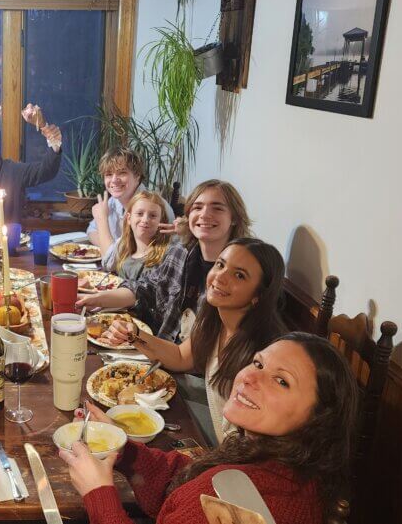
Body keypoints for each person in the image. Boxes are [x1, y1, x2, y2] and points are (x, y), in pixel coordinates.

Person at [61, 332, 359, 524]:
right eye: (258, 364)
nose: (249, 378)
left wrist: (98, 493)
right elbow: (190, 476)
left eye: (282, 381)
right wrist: (123, 450)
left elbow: (197, 494)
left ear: (318, 417)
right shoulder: (283, 463)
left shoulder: (239, 505)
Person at [103, 238, 288, 443]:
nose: (220, 277)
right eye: (220, 265)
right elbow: (180, 357)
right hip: (219, 431)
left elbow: (256, 440)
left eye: (239, 275)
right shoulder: (215, 319)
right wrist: (135, 335)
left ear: (259, 295)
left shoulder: (265, 354)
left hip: (234, 450)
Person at [78, 179, 252, 342]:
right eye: (197, 207)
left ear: (234, 218)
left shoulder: (242, 273)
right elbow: (143, 289)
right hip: (162, 351)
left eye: (217, 208)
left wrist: (138, 339)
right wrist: (93, 299)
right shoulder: (179, 254)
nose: (205, 214)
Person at [88, 147, 174, 255]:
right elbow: (91, 231)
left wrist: (102, 221)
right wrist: (109, 246)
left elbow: (116, 259)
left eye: (122, 173)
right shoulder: (114, 200)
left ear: (137, 176)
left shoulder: (154, 208)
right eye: (109, 174)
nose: (114, 180)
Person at [103, 191, 171, 281]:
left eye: (153, 215)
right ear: (129, 218)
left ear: (161, 221)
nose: (145, 220)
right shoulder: (124, 252)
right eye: (139, 214)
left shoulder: (164, 257)